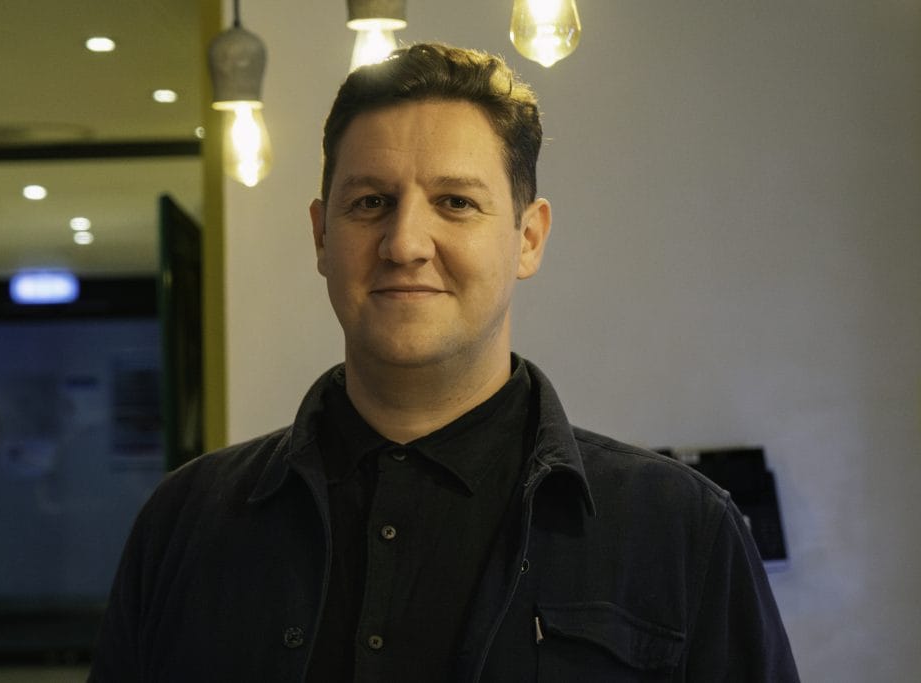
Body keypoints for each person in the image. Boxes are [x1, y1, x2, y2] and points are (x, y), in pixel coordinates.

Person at [89, 43, 799, 681]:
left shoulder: (683, 530)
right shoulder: (183, 523)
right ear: (320, 236)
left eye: (455, 202)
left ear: (528, 237)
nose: (405, 242)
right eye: (371, 202)